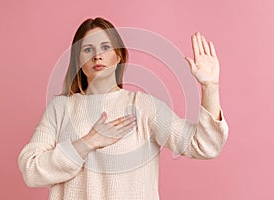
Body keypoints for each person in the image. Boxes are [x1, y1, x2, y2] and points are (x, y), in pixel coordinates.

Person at [18, 17, 229, 200]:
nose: (97, 55)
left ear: (119, 56)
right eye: (87, 49)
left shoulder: (143, 106)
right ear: (78, 60)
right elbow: (31, 169)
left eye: (105, 47)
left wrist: (210, 88)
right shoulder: (61, 108)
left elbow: (204, 145)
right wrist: (87, 142)